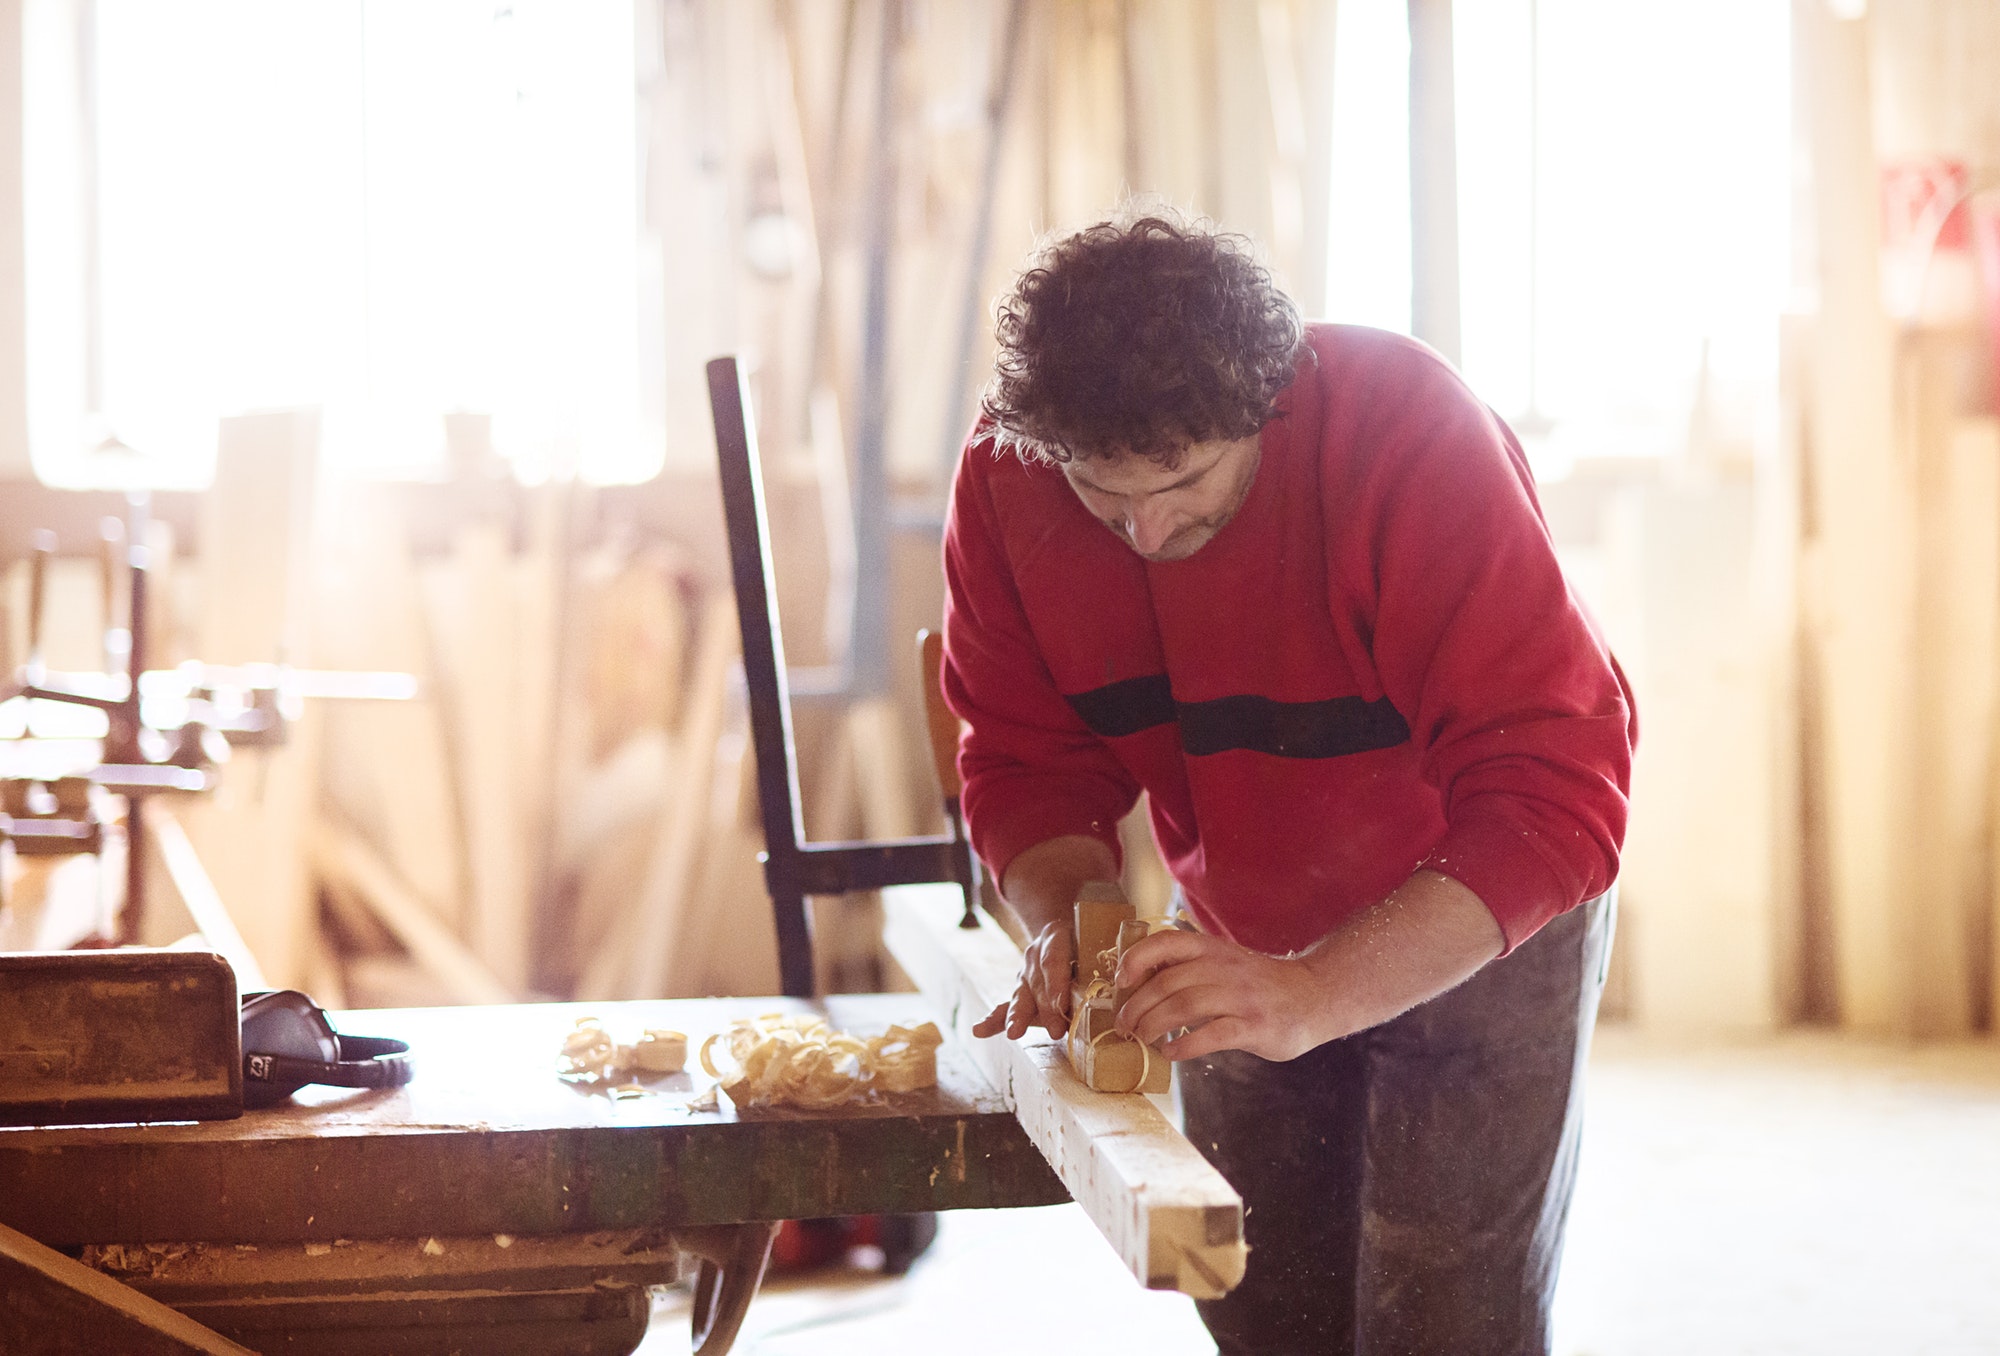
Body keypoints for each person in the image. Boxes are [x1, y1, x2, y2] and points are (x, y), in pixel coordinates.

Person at [942, 208, 1634, 1355]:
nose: (1142, 531)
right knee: (1263, 1301)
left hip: (1472, 903)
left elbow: (1548, 785)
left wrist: (1315, 992)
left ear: (1270, 401)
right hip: (1243, 914)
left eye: (1184, 482)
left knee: (1444, 1308)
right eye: (1102, 496)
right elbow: (1024, 763)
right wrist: (1075, 924)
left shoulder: (1406, 433)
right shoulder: (1008, 475)